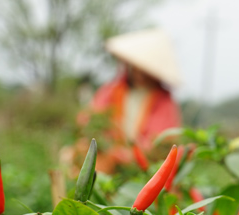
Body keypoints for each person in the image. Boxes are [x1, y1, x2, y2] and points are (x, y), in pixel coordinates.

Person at [78, 29, 182, 173]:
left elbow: (163, 140)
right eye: (137, 66)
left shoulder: (164, 101)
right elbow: (89, 119)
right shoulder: (110, 91)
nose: (140, 73)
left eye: (145, 68)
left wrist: (132, 154)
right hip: (108, 163)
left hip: (143, 167)